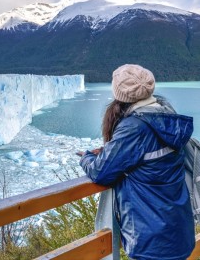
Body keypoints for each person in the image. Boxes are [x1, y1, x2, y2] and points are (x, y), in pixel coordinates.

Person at [78, 64, 195, 260]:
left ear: (119, 93)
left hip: (152, 241)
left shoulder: (134, 127)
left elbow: (101, 172)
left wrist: (87, 157)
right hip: (178, 231)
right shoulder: (166, 114)